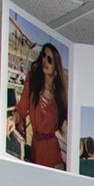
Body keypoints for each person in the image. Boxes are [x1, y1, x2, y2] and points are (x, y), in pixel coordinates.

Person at [8, 40, 67, 168]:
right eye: (43, 57)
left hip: (53, 153)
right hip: (37, 149)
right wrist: (12, 120)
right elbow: (22, 109)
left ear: (56, 65)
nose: (45, 61)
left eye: (50, 59)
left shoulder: (59, 94)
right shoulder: (32, 82)